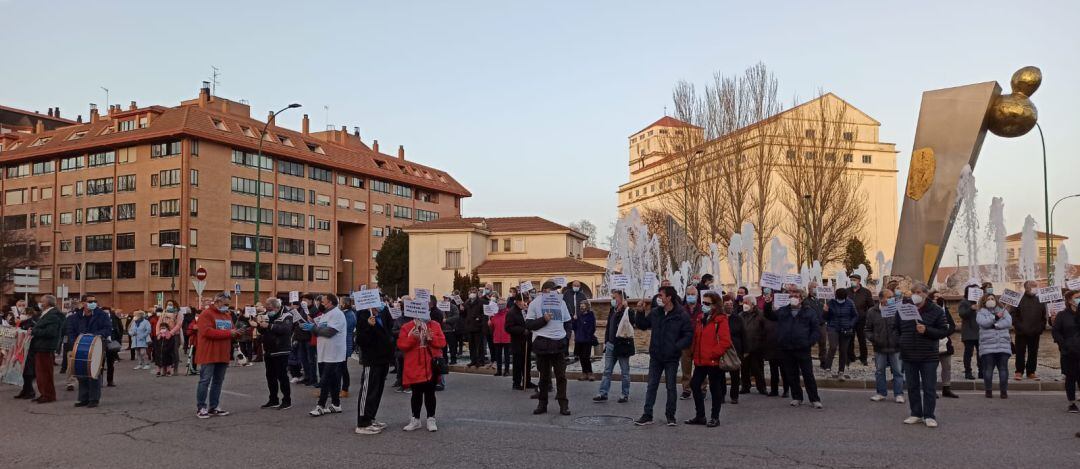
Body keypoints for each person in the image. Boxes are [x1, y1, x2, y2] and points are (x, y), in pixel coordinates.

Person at [632, 285, 694, 426]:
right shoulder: (656, 312)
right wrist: (640, 312)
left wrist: (676, 346)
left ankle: (670, 416)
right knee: (651, 385)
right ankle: (647, 415)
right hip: (656, 356)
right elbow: (642, 325)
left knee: (671, 387)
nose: (658, 298)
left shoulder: (681, 314)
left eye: (661, 295)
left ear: (669, 298)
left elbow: (688, 334)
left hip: (671, 357)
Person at [897, 283, 949, 428]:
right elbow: (896, 328)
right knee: (912, 386)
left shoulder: (937, 311)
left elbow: (944, 331)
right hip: (908, 354)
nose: (916, 295)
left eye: (919, 292)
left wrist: (927, 330)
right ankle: (916, 413)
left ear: (926, 294)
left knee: (929, 387)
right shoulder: (904, 309)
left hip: (928, 355)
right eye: (913, 292)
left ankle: (929, 415)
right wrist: (901, 342)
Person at [763, 287, 823, 409]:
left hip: (802, 348)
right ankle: (797, 397)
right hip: (786, 348)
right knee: (792, 374)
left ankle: (814, 399)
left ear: (801, 299)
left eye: (795, 296)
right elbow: (769, 315)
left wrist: (809, 342)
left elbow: (816, 330)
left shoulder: (809, 312)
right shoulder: (783, 311)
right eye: (791, 296)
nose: (792, 298)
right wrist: (768, 303)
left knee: (808, 374)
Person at [684, 291, 732, 427]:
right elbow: (697, 337)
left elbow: (725, 341)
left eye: (707, 303)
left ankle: (715, 417)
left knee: (715, 388)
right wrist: (693, 351)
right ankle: (700, 415)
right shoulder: (701, 318)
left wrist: (713, 353)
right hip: (700, 359)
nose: (703, 305)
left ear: (715, 305)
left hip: (713, 360)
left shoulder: (720, 319)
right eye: (703, 302)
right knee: (694, 384)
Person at [525, 282, 573, 416]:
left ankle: (563, 405)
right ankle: (542, 404)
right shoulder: (535, 303)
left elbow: (568, 322)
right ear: (545, 290)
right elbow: (529, 324)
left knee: (561, 377)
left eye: (556, 290)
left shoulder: (561, 303)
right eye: (553, 290)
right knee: (544, 378)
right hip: (543, 343)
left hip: (558, 344)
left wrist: (566, 337)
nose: (556, 292)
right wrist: (543, 320)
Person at [195, 293, 242, 419]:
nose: (227, 307)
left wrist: (238, 333)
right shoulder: (206, 314)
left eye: (228, 305)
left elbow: (231, 331)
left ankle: (214, 406)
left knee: (218, 381)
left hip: (223, 352)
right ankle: (201, 407)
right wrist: (228, 333)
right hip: (209, 352)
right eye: (225, 304)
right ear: (217, 302)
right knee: (205, 380)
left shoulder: (226, 315)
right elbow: (207, 332)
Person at [398, 312, 446, 432]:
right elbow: (401, 345)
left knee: (430, 393)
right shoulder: (407, 327)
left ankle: (431, 418)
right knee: (416, 393)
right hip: (414, 365)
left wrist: (431, 338)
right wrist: (412, 338)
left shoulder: (434, 325)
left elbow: (442, 342)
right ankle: (416, 419)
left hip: (431, 365)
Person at [354, 302, 395, 435]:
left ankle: (371, 418)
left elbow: (388, 331)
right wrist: (369, 326)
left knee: (377, 391)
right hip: (371, 359)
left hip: (383, 359)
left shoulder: (382, 314)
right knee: (368, 390)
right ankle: (362, 423)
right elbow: (360, 339)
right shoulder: (363, 315)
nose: (380, 305)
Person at [308, 294, 347, 417]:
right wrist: (313, 326)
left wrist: (314, 328)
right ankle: (336, 404)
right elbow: (321, 328)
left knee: (324, 380)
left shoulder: (337, 314)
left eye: (322, 302)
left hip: (334, 354)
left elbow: (330, 332)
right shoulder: (325, 314)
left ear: (329, 302)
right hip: (324, 353)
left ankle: (321, 405)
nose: (320, 304)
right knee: (333, 380)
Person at [70, 295, 111, 408]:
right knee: (81, 372)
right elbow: (71, 331)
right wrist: (75, 343)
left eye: (94, 301)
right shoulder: (76, 316)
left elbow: (107, 329)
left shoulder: (102, 315)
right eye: (90, 301)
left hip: (96, 346)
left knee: (94, 372)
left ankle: (94, 399)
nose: (93, 303)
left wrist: (97, 336)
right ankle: (83, 398)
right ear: (83, 303)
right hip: (80, 347)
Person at [594, 290, 635, 403]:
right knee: (607, 370)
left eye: (615, 297)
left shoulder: (628, 311)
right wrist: (606, 341)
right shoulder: (612, 310)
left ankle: (624, 394)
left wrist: (626, 309)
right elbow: (609, 327)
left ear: (621, 299)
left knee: (625, 372)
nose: (612, 300)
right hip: (611, 345)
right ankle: (603, 393)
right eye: (612, 297)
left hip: (622, 346)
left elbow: (632, 321)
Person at [865, 288, 904, 403]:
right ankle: (881, 393)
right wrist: (874, 339)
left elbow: (903, 328)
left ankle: (899, 394)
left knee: (897, 371)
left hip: (895, 347)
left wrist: (900, 340)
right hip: (879, 347)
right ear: (881, 299)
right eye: (889, 297)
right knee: (880, 371)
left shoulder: (897, 310)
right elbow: (867, 329)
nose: (892, 299)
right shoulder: (872, 312)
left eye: (892, 297)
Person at [255, 298, 293, 410]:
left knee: (282, 376)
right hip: (269, 350)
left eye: (269, 307)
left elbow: (285, 330)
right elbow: (263, 331)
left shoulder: (287, 315)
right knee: (270, 376)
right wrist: (258, 325)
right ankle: (273, 399)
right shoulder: (267, 315)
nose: (267, 309)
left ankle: (287, 400)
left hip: (281, 350)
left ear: (275, 307)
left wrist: (269, 326)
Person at [977, 293, 1013, 399]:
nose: (991, 300)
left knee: (1003, 369)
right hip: (988, 346)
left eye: (992, 298)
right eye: (988, 299)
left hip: (1003, 345)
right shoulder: (981, 313)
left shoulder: (1003, 311)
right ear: (984, 301)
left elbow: (1008, 322)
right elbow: (983, 323)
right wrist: (996, 318)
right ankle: (988, 390)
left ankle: (1003, 391)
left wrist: (995, 325)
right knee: (988, 369)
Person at [28, 295, 62, 404]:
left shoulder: (53, 315)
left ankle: (48, 395)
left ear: (47, 303)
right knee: (40, 373)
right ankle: (43, 393)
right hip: (40, 346)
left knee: (45, 372)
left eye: (42, 301)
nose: (40, 303)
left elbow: (51, 332)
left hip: (45, 347)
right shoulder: (46, 314)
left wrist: (34, 331)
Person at [1051, 290, 1080, 412]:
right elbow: (1056, 331)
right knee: (1070, 377)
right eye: (1077, 297)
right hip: (1069, 352)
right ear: (1069, 301)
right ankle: (1072, 403)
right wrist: (1063, 344)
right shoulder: (1062, 315)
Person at [1012, 280, 1047, 381]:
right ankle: (1019, 371)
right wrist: (1019, 327)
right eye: (1033, 286)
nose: (1035, 287)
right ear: (1026, 287)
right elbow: (1014, 315)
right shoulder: (1018, 299)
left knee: (1033, 352)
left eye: (1036, 286)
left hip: (1035, 332)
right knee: (1020, 352)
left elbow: (1043, 317)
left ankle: (1031, 372)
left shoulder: (1040, 300)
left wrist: (1040, 328)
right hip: (1021, 332)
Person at [823, 288, 857, 380]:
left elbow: (855, 315)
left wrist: (850, 325)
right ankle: (827, 369)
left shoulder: (850, 303)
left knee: (843, 350)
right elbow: (825, 317)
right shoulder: (830, 303)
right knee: (833, 347)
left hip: (846, 329)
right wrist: (825, 311)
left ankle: (841, 372)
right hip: (833, 327)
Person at [931, 291, 959, 398]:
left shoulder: (945, 310)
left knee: (947, 366)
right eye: (935, 297)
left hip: (945, 342)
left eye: (939, 297)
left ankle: (946, 388)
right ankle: (931, 389)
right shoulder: (929, 311)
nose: (937, 299)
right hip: (933, 342)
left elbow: (952, 325)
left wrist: (945, 332)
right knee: (932, 367)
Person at [505, 294, 535, 390]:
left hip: (527, 341)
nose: (525, 303)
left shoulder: (525, 311)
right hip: (517, 342)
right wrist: (522, 330)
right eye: (524, 301)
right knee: (518, 363)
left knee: (527, 363)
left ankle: (527, 381)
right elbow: (508, 328)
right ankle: (516, 383)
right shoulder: (511, 312)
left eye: (526, 301)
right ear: (518, 301)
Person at [739, 295, 767, 396]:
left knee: (758, 369)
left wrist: (762, 343)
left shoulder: (760, 314)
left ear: (753, 304)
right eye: (743, 302)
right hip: (745, 346)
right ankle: (745, 386)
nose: (744, 304)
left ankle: (762, 387)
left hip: (757, 346)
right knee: (744, 368)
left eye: (747, 302)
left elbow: (765, 330)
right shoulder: (741, 315)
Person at [13, 304, 40, 400]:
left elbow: (32, 333)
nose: (22, 314)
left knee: (28, 370)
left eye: (24, 313)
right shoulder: (22, 322)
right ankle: (25, 390)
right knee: (23, 371)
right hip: (22, 349)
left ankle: (30, 391)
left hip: (30, 349)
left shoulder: (32, 322)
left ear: (29, 314)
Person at [722, 296, 745, 404]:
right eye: (726, 304)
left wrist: (745, 350)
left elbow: (743, 335)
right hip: (721, 349)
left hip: (735, 349)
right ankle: (721, 395)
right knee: (720, 374)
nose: (729, 306)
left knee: (735, 374)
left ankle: (734, 396)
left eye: (731, 304)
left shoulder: (738, 318)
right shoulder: (719, 317)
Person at [847, 274, 874, 366]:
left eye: (854, 279)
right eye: (851, 279)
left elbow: (871, 306)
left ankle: (863, 357)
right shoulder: (847, 291)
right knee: (850, 339)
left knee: (862, 339)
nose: (852, 281)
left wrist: (867, 316)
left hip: (861, 320)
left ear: (859, 281)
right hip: (849, 319)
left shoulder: (866, 292)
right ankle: (851, 357)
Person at [679, 286, 700, 400]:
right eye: (688, 294)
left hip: (699, 343)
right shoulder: (681, 310)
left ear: (697, 296)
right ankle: (686, 389)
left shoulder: (702, 309)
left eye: (693, 294)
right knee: (686, 368)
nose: (691, 296)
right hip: (686, 344)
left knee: (700, 368)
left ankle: (702, 388)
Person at [958, 284, 983, 380]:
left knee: (981, 353)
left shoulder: (980, 302)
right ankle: (968, 371)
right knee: (968, 353)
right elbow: (962, 314)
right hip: (968, 332)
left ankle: (982, 371)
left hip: (979, 331)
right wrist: (971, 309)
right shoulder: (964, 302)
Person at [572, 300, 597, 381]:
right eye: (581, 306)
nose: (581, 307)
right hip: (579, 339)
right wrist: (574, 320)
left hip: (587, 339)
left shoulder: (590, 315)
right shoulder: (578, 315)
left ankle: (590, 372)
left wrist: (588, 335)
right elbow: (574, 327)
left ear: (587, 306)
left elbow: (592, 327)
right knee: (581, 357)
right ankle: (584, 373)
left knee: (586, 357)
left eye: (583, 306)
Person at [463, 287, 487, 367]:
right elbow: (464, 315)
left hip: (478, 327)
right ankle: (473, 360)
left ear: (476, 293)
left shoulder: (481, 302)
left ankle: (481, 361)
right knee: (471, 346)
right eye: (470, 292)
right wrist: (461, 310)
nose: (472, 293)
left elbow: (484, 314)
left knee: (479, 346)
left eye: (473, 292)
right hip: (470, 327)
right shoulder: (466, 302)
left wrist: (479, 319)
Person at [340, 297, 358, 398]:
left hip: (345, 343)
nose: (340, 305)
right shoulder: (345, 313)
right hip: (343, 342)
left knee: (343, 367)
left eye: (341, 303)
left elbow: (346, 328)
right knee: (340, 367)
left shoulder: (350, 314)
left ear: (345, 304)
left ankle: (345, 388)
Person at [489, 301, 512, 377]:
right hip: (497, 337)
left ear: (505, 305)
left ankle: (506, 371)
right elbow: (492, 327)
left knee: (506, 356)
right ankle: (499, 371)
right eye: (499, 304)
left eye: (502, 304)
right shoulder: (494, 314)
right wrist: (490, 323)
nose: (500, 305)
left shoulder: (509, 313)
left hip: (506, 337)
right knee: (498, 356)